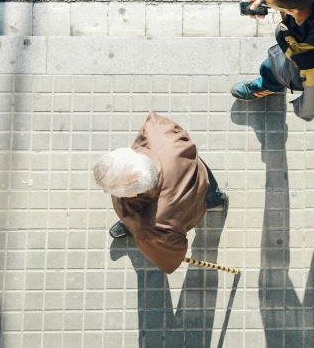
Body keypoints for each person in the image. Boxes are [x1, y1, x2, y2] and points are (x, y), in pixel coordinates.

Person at [92, 112, 228, 274]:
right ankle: (216, 198)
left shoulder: (152, 229)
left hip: (181, 213)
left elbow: (169, 261)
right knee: (211, 192)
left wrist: (141, 231)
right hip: (194, 169)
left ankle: (131, 223)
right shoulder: (154, 130)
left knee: (138, 222)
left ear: (133, 196)